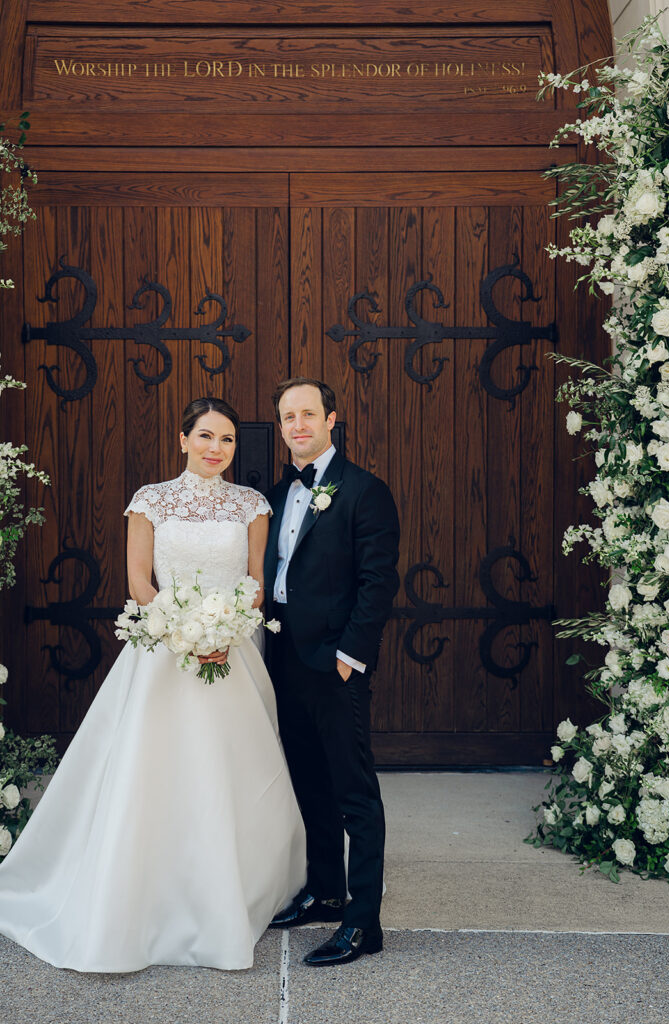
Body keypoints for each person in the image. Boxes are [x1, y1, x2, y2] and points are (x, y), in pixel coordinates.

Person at [0, 397, 306, 973]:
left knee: (233, 772)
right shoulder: (149, 501)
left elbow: (257, 581)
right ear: (182, 439)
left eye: (227, 440)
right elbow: (138, 580)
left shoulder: (252, 505)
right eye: (205, 436)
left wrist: (226, 626)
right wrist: (185, 632)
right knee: (154, 771)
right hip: (163, 651)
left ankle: (238, 889)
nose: (215, 449)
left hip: (230, 651)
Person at [265, 377, 400, 967]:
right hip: (285, 662)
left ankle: (362, 923)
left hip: (336, 666)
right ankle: (325, 892)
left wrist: (351, 657)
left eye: (308, 414)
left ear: (331, 419)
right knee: (308, 785)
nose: (298, 424)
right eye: (288, 417)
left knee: (353, 792)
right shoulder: (275, 492)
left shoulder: (364, 491)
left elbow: (378, 582)